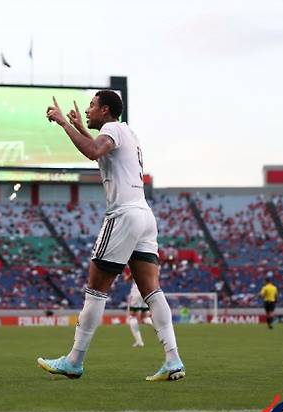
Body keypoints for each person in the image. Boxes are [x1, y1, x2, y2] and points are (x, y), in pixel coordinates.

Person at [38, 91, 185, 381]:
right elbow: (99, 149)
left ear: (105, 110)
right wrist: (80, 126)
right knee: (152, 291)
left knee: (96, 287)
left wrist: (63, 124)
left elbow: (93, 151)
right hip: (144, 215)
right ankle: (173, 360)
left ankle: (74, 361)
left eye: (92, 106)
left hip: (124, 215)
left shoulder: (112, 129)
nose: (89, 110)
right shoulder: (127, 132)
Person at [124, 269, 153, 347]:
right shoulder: (149, 265)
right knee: (145, 317)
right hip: (147, 291)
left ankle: (139, 341)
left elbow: (127, 279)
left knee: (132, 316)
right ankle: (157, 327)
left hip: (137, 292)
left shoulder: (136, 265)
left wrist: (125, 277)